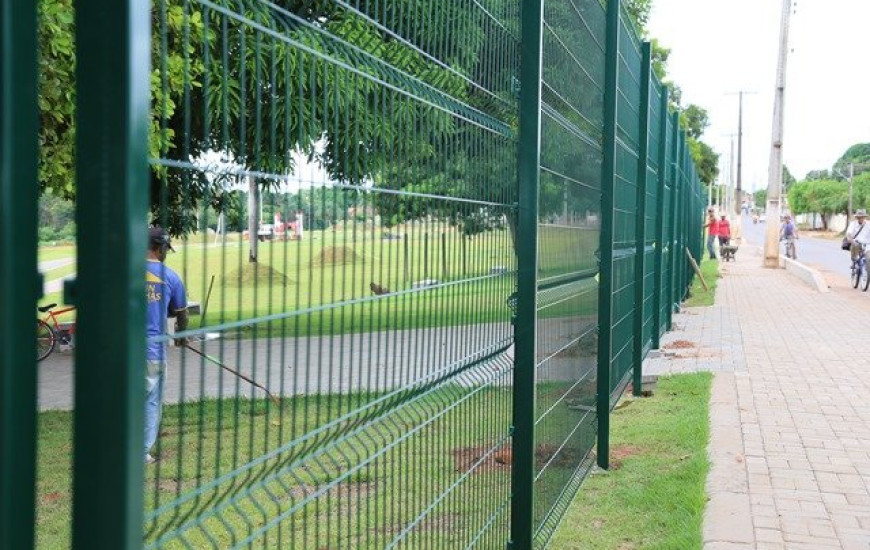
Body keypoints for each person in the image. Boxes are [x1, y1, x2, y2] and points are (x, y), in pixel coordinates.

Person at [145, 226, 188, 464]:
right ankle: (140, 452)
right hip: (153, 352)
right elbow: (181, 314)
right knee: (150, 401)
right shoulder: (170, 276)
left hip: (122, 351)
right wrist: (182, 336)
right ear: (160, 248)